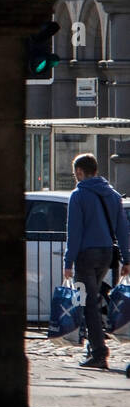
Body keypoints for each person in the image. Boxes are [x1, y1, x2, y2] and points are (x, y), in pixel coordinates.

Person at [64, 153, 130, 370]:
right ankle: (94, 347)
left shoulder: (79, 195)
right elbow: (122, 230)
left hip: (86, 255)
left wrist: (68, 263)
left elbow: (74, 233)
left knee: (88, 303)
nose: (76, 178)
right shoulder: (112, 195)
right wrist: (127, 259)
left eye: (76, 174)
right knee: (93, 299)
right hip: (106, 255)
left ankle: (99, 352)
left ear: (81, 172)